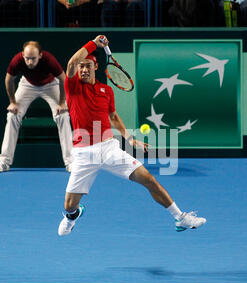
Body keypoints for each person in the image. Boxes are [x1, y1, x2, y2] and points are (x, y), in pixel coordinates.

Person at [57, 35, 207, 236]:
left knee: (149, 179)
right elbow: (71, 62)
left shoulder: (107, 91)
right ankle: (72, 216)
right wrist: (94, 43)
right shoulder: (72, 86)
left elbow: (113, 116)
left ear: (96, 67)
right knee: (69, 205)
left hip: (109, 148)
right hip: (84, 153)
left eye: (88, 66)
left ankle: (181, 217)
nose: (83, 69)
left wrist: (129, 138)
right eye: (81, 66)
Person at [0, 41, 73, 172]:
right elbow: (9, 79)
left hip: (51, 85)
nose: (29, 62)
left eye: (33, 58)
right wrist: (12, 102)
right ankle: (4, 162)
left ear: (40, 55)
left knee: (63, 115)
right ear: (23, 55)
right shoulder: (17, 60)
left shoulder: (49, 59)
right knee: (12, 115)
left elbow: (64, 79)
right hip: (27, 85)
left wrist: (62, 103)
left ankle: (71, 162)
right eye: (27, 58)